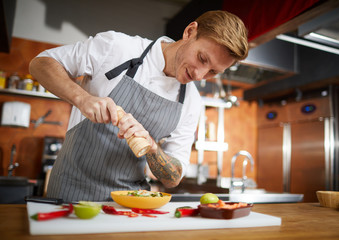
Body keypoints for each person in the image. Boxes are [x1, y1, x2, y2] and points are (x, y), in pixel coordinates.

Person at [29, 10, 249, 202]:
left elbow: (173, 177)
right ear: (190, 31)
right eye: (202, 58)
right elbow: (41, 63)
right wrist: (83, 99)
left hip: (131, 203)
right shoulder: (118, 47)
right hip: (70, 191)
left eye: (213, 72)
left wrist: (152, 147)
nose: (200, 75)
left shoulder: (191, 102)